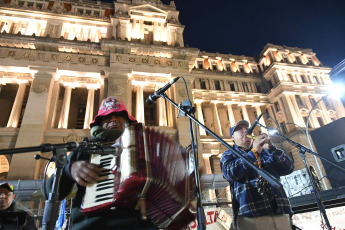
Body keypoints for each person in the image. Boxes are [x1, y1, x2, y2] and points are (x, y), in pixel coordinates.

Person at [45, 96, 157, 230]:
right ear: (99, 124)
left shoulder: (146, 147)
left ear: (128, 121)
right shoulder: (85, 148)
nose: (113, 119)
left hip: (138, 223)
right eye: (107, 118)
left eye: (119, 116)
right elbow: (49, 192)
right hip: (93, 223)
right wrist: (69, 170)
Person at [220, 120, 294, 230]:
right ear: (232, 138)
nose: (245, 130)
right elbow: (231, 173)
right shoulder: (228, 154)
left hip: (279, 212)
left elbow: (289, 168)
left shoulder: (265, 151)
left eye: (246, 128)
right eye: (239, 129)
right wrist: (254, 152)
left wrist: (270, 149)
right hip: (252, 216)